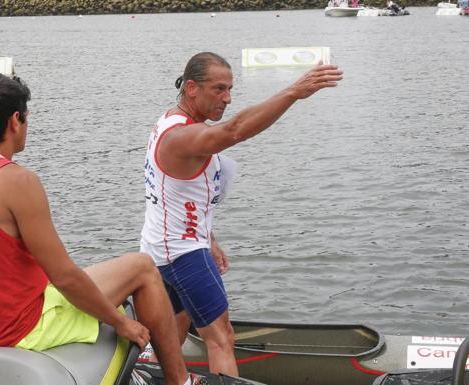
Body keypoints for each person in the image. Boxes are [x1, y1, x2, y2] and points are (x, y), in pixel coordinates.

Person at [0, 73, 195, 385]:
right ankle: (180, 382)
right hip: (20, 329)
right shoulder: (16, 180)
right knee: (143, 268)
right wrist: (121, 323)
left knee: (90, 279)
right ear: (16, 120)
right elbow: (64, 276)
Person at [140, 52, 343, 376]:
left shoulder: (172, 121)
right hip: (182, 254)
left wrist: (210, 238)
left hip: (160, 248)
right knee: (221, 338)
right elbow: (234, 130)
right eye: (219, 89)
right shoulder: (180, 137)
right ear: (191, 88)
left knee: (173, 332)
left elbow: (177, 196)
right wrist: (293, 92)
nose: (228, 98)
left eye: (230, 89)